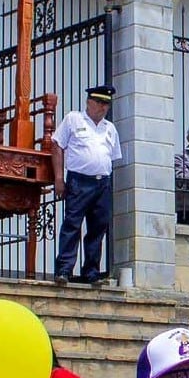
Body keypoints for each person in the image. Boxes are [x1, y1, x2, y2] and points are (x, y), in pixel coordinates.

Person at [51, 84, 121, 284]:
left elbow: (112, 158)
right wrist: (58, 178)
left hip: (102, 183)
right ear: (88, 102)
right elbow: (57, 145)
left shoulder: (110, 128)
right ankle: (63, 270)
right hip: (79, 181)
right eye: (99, 102)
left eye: (106, 104)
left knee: (98, 228)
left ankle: (91, 272)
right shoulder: (74, 119)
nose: (103, 107)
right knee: (72, 225)